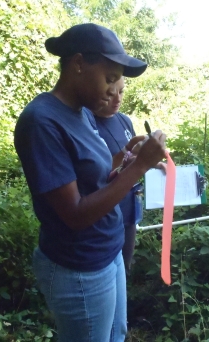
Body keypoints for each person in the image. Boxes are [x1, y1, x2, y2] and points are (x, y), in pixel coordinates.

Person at [14, 23, 166, 342]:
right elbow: (76, 214)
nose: (113, 90)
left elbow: (94, 175)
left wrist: (126, 155)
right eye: (109, 78)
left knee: (117, 333)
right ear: (79, 64)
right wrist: (138, 167)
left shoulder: (81, 111)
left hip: (107, 250)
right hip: (79, 266)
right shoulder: (42, 122)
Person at [92, 77, 144, 273]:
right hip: (107, 208)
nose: (117, 99)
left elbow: (132, 157)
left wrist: (155, 163)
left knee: (125, 263)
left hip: (129, 205)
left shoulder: (124, 120)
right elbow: (98, 171)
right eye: (111, 94)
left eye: (121, 92)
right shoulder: (88, 123)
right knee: (109, 265)